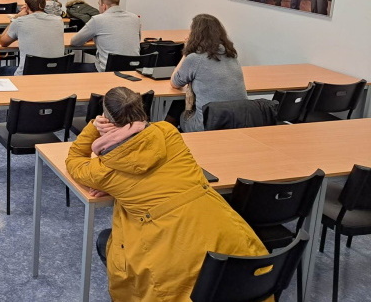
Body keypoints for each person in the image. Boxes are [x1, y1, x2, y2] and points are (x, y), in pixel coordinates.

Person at [66, 87, 267, 302]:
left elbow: (74, 158)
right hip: (221, 229)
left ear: (107, 118)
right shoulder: (168, 131)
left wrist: (94, 126)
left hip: (171, 252)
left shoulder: (104, 171)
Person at [167, 14, 247, 132]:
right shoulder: (231, 55)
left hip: (208, 125)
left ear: (195, 35)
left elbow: (174, 83)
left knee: (178, 109)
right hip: (239, 121)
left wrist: (186, 52)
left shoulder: (195, 58)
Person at [0, 0, 64, 76]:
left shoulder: (19, 22)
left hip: (27, 74)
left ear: (27, 6)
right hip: (54, 74)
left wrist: (16, 17)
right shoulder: (58, 21)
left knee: (1, 71)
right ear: (44, 4)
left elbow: (3, 42)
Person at [69, 0, 141, 72]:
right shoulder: (135, 18)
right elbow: (138, 39)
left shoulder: (98, 20)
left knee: (70, 67)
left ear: (104, 6)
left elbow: (75, 42)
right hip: (132, 70)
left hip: (107, 71)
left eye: (99, 4)